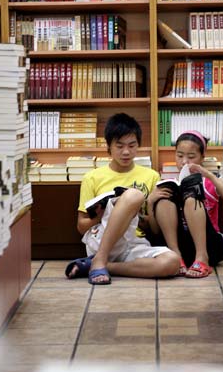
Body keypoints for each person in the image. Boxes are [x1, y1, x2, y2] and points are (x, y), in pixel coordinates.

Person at [65, 113, 180, 285]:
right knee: (134, 194)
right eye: (119, 146)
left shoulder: (151, 176)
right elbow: (81, 227)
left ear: (138, 146)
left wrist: (139, 209)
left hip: (133, 243)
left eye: (132, 145)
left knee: (172, 262)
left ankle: (101, 265)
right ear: (108, 147)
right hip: (102, 239)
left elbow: (154, 230)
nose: (126, 152)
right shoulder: (92, 177)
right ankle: (101, 257)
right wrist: (101, 215)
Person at [147, 130, 223, 279]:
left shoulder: (211, 181)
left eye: (191, 157)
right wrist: (150, 203)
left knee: (191, 196)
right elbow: (156, 231)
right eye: (179, 156)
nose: (184, 162)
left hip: (210, 245)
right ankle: (176, 256)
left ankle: (202, 258)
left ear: (202, 156)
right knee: (164, 199)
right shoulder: (169, 183)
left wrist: (207, 174)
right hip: (180, 245)